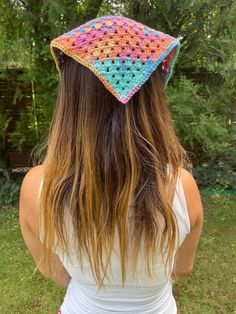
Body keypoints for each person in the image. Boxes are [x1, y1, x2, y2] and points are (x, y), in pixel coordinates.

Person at [19, 16, 204, 314]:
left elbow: (57, 273)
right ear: (154, 99)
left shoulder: (37, 187)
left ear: (70, 100)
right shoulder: (182, 187)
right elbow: (181, 268)